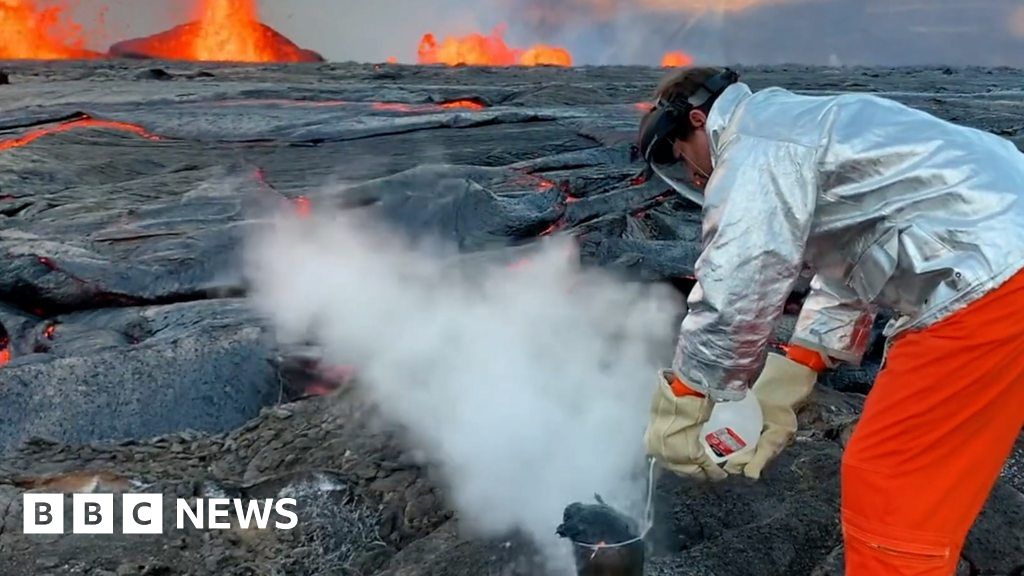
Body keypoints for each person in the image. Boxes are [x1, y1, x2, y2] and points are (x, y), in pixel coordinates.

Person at [638, 66, 1024, 574]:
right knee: (933, 487)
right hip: (1001, 260)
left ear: (696, 120)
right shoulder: (800, 123)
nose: (690, 175)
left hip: (988, 281)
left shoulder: (756, 143)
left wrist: (687, 395)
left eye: (682, 155)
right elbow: (856, 253)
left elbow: (740, 273)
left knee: (888, 482)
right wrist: (800, 364)